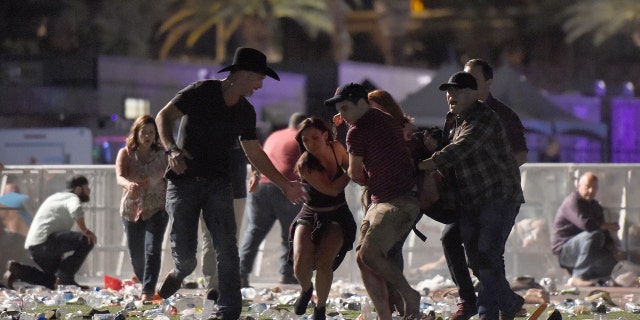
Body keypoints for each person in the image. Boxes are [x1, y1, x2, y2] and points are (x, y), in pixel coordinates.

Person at [155, 47, 307, 320]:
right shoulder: (200, 92)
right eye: (259, 79)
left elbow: (254, 152)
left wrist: (285, 184)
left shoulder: (246, 111)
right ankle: (179, 272)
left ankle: (229, 312)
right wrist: (171, 150)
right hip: (184, 183)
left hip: (219, 185)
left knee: (227, 250)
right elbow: (163, 117)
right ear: (243, 74)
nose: (261, 86)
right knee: (187, 259)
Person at [418, 72, 524, 320]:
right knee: (473, 257)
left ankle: (490, 311)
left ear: (474, 94)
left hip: (498, 196)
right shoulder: (455, 119)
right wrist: (434, 148)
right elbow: (449, 154)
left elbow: (459, 150)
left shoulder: (483, 118)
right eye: (448, 91)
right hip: (472, 201)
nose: (451, 96)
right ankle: (505, 302)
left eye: (458, 91)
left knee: (487, 255)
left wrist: (422, 165)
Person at [326, 83, 422, 320]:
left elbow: (355, 173)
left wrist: (353, 173)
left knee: (369, 255)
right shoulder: (386, 118)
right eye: (340, 111)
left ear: (362, 103)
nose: (343, 116)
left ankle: (409, 295)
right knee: (364, 258)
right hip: (400, 198)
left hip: (392, 201)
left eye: (346, 109)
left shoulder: (356, 132)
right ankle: (384, 315)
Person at [288, 117, 356, 320]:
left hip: (337, 212)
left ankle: (320, 308)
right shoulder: (306, 164)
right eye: (305, 140)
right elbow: (332, 189)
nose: (310, 143)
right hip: (311, 212)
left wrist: (358, 169)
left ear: (325, 135)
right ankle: (306, 289)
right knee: (300, 264)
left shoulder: (336, 147)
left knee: (324, 261)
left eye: (315, 137)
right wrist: (353, 170)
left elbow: (350, 164)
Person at [239, 112, 306, 288]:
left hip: (261, 186)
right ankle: (287, 275)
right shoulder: (301, 138)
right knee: (290, 234)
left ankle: (241, 273)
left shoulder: (274, 135)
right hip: (285, 186)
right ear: (304, 125)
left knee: (254, 231)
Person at [2, 175, 96, 290]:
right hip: (46, 242)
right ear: (78, 190)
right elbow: (76, 209)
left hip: (34, 247)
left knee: (53, 281)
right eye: (87, 188)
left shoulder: (56, 197)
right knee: (87, 239)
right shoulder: (72, 198)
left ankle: (19, 271)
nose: (89, 191)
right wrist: (85, 231)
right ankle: (66, 277)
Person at [115, 115, 169, 303]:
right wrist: (128, 185)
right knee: (137, 255)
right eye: (144, 132)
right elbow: (119, 176)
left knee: (152, 248)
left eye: (151, 132)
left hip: (157, 208)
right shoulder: (126, 153)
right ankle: (142, 278)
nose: (147, 136)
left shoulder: (162, 155)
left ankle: (147, 290)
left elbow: (170, 177)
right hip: (132, 209)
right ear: (136, 133)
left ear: (156, 135)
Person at [551, 172, 621, 286]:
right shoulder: (572, 202)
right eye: (587, 186)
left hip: (585, 250)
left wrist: (614, 249)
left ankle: (595, 278)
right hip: (566, 251)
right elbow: (587, 225)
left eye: (594, 187)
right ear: (579, 186)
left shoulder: (595, 206)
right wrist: (608, 225)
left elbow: (605, 233)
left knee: (610, 259)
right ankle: (578, 276)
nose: (590, 191)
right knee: (594, 235)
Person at [200, 138, 249, 302]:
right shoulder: (207, 123)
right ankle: (213, 287)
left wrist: (255, 171)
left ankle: (223, 286)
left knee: (229, 241)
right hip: (210, 190)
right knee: (211, 240)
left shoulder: (239, 121)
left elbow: (252, 147)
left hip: (235, 190)